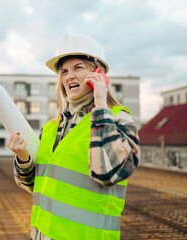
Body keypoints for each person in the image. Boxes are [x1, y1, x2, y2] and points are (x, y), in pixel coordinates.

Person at [7, 33, 140, 240]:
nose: (69, 76)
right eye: (64, 71)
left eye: (78, 68)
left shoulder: (118, 119)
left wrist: (101, 103)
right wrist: (23, 157)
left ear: (99, 72)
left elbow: (108, 172)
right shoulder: (51, 127)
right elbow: (36, 185)